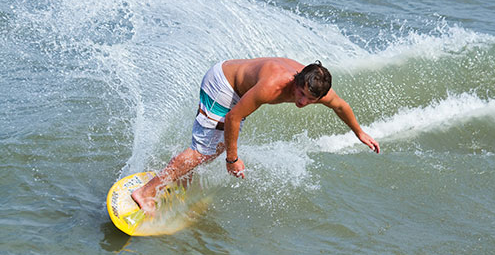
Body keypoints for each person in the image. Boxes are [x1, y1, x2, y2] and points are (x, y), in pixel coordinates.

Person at [132, 57, 380, 213]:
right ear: (297, 82)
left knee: (218, 145)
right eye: (301, 94)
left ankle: (180, 175)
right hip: (222, 84)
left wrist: (359, 132)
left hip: (240, 92)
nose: (303, 102)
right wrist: (232, 159)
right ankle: (145, 193)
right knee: (204, 150)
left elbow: (340, 106)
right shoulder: (273, 87)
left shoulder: (317, 88)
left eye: (310, 100)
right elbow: (233, 118)